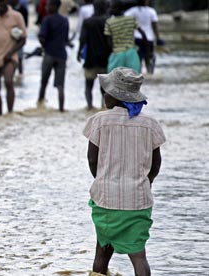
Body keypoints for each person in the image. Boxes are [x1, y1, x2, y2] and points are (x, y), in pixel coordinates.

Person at [83, 67, 165, 276]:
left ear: (113, 96)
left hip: (105, 199)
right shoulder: (150, 125)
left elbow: (92, 159)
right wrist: (145, 182)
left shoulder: (99, 121)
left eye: (106, 92)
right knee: (139, 256)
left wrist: (103, 179)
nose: (104, 96)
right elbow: (155, 165)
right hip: (138, 200)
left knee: (102, 253)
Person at [77, 0, 111, 110]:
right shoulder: (108, 21)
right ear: (105, 8)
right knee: (105, 87)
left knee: (88, 85)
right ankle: (104, 107)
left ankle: (90, 106)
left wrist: (79, 52)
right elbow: (110, 41)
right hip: (105, 59)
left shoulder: (87, 22)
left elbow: (82, 39)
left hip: (90, 59)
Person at [36, 0, 69, 112]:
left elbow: (41, 37)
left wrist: (43, 46)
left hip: (49, 54)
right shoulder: (65, 20)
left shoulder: (47, 20)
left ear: (55, 6)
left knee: (44, 82)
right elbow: (66, 39)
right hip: (61, 55)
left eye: (48, 5)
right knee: (60, 86)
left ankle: (39, 106)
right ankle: (61, 109)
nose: (46, 8)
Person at [104, 0, 148, 73]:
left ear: (117, 8)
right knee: (134, 79)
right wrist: (145, 49)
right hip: (132, 54)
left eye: (111, 7)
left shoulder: (109, 22)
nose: (109, 9)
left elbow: (109, 42)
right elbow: (143, 33)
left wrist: (112, 52)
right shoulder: (131, 19)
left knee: (114, 80)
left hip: (117, 54)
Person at [125, 0, 164, 74]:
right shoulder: (151, 11)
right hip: (149, 40)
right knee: (149, 58)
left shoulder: (133, 11)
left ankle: (138, 76)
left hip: (137, 39)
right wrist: (158, 38)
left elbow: (125, 19)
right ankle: (150, 74)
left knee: (138, 60)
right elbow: (154, 27)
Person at [9, 0, 29, 84]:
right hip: (9, 37)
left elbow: (26, 23)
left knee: (20, 57)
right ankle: (11, 75)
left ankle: (20, 74)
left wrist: (19, 32)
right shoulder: (9, 9)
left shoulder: (23, 9)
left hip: (19, 36)